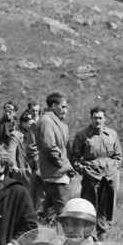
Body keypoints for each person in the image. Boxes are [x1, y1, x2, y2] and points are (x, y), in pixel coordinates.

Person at [70, 106, 122, 239]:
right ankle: (87, 236)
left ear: (104, 119)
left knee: (107, 207)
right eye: (95, 118)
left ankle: (103, 235)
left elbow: (118, 156)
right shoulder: (82, 135)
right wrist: (85, 171)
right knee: (88, 206)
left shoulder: (112, 134)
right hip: (91, 178)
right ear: (91, 119)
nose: (97, 121)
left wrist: (114, 168)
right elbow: (74, 159)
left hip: (109, 178)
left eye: (100, 118)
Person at [34, 92, 75, 221]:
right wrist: (66, 166)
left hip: (56, 173)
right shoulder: (47, 122)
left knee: (49, 213)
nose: (65, 111)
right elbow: (49, 147)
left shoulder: (55, 123)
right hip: (57, 174)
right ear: (53, 106)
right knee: (63, 212)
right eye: (63, 107)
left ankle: (47, 237)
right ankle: (63, 238)